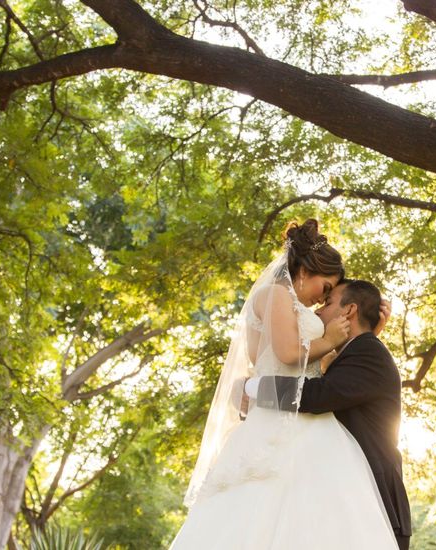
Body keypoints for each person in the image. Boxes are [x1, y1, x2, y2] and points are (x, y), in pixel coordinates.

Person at [169, 219, 400, 550]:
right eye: (325, 289)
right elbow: (289, 353)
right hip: (286, 420)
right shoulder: (276, 294)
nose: (321, 303)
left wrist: (362, 336)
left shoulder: (292, 307)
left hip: (298, 412)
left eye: (329, 297)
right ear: (305, 271)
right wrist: (332, 339)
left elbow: (323, 377)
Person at [248, 279, 413, 550]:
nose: (318, 311)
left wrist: (253, 387)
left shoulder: (368, 352)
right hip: (353, 503)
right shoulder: (357, 352)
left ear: (348, 311)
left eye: (328, 303)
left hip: (378, 506)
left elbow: (317, 395)